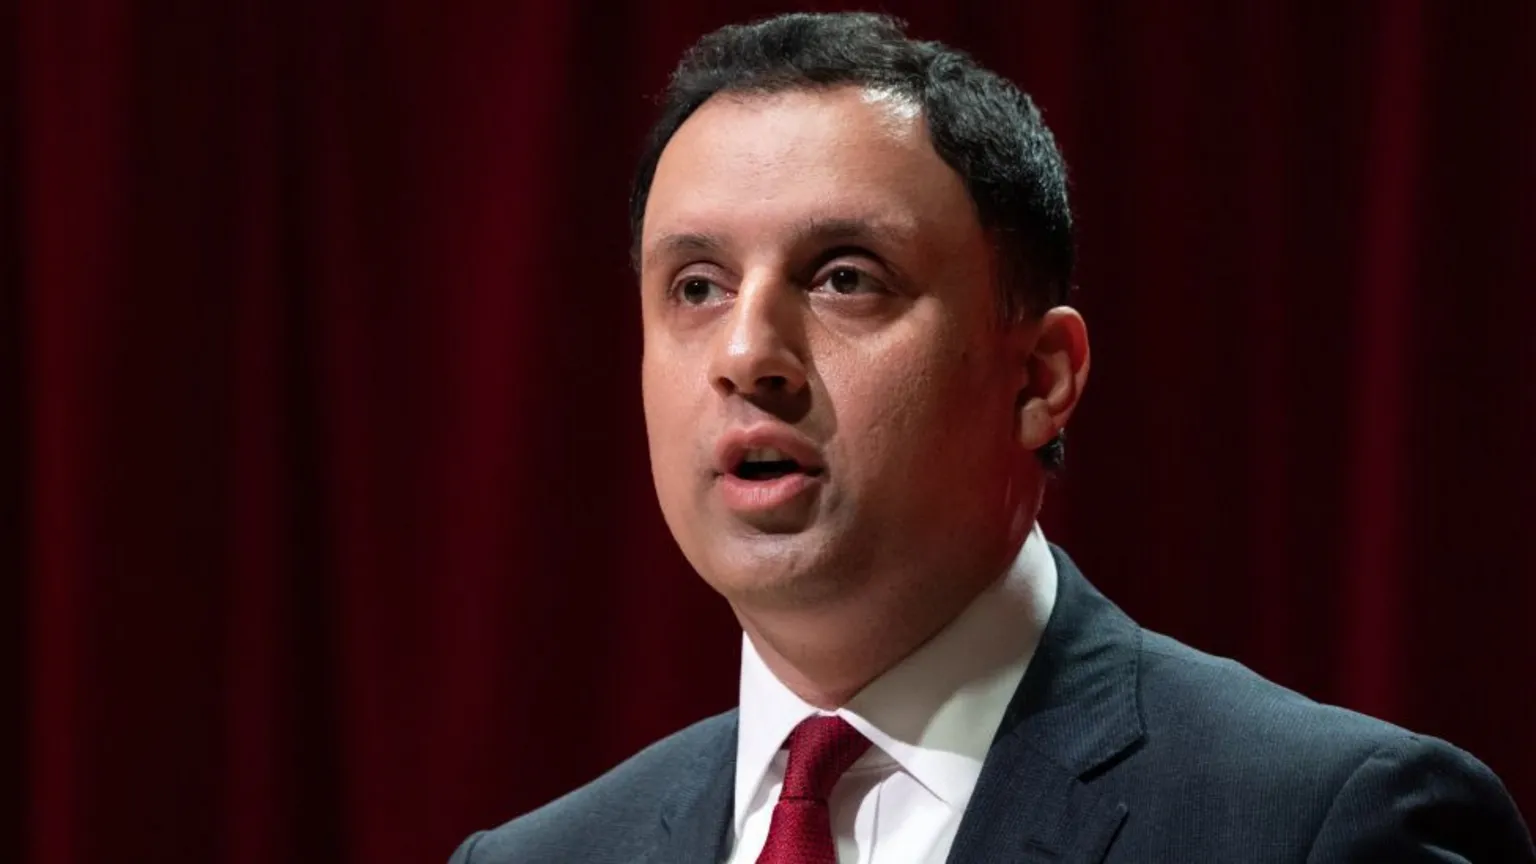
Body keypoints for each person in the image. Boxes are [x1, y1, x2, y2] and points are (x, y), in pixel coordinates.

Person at [450, 12, 1533, 863]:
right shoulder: (533, 858)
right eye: (696, 286)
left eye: (844, 278)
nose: (747, 353)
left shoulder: (1323, 827)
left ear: (1040, 378)